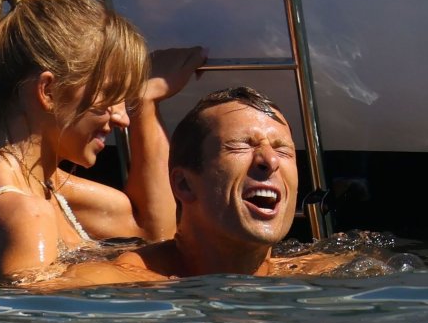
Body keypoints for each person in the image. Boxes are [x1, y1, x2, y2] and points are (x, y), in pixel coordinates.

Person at [0, 0, 206, 277]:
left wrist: (145, 101)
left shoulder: (12, 178)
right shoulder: (24, 213)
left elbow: (151, 230)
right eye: (109, 95)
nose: (123, 118)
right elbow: (41, 305)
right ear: (48, 91)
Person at [36, 86, 355, 290]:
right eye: (241, 145)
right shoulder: (113, 284)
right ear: (184, 184)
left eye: (283, 150)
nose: (269, 160)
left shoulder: (328, 275)